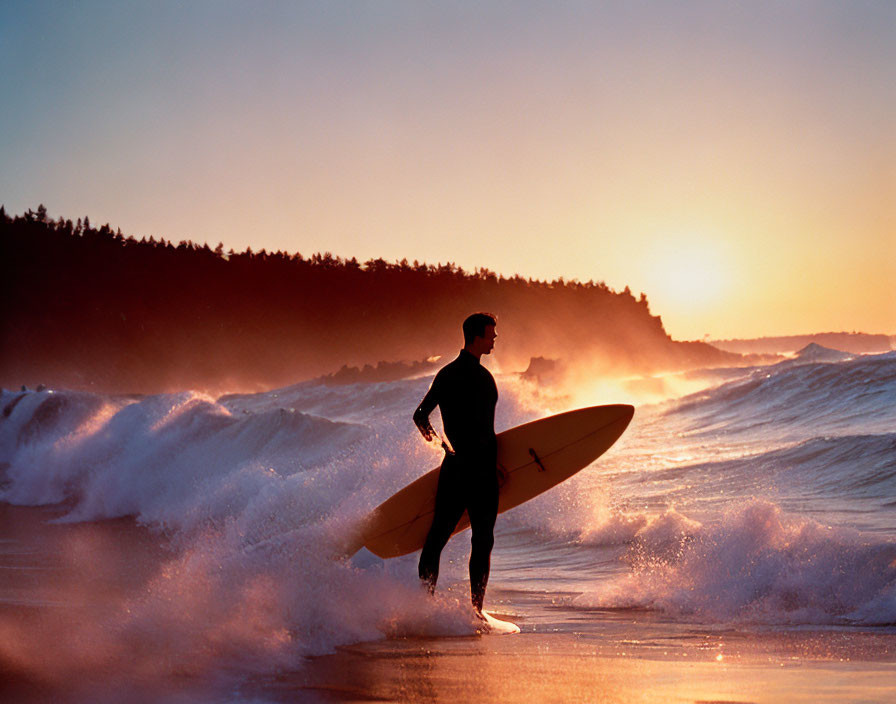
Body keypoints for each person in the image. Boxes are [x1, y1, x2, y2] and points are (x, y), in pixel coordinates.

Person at [413, 312, 503, 614]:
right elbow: (485, 432)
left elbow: (420, 416)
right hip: (481, 472)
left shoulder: (447, 374)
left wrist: (442, 445)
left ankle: (425, 606)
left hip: (454, 467)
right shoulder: (481, 378)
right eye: (491, 334)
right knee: (482, 540)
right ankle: (477, 611)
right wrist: (496, 464)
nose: (494, 339)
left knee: (436, 539)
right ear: (477, 337)